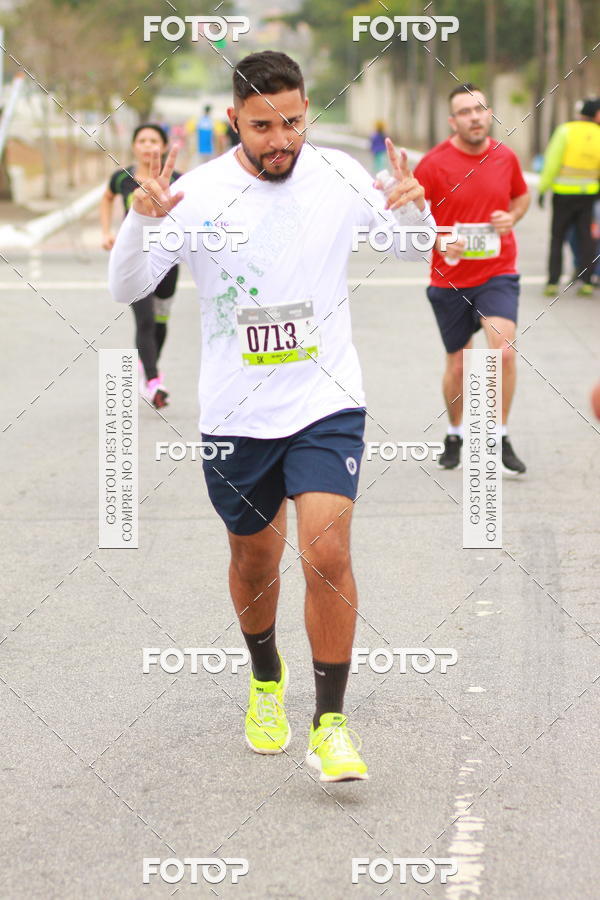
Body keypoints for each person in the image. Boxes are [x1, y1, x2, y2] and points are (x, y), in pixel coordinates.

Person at [109, 50, 435, 782]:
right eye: (263, 126)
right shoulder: (196, 192)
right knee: (255, 560)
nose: (281, 138)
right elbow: (125, 283)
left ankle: (331, 722)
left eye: (293, 120)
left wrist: (414, 203)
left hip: (326, 401)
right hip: (236, 413)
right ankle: (265, 679)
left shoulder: (339, 176)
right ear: (235, 122)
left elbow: (416, 248)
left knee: (326, 552)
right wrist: (138, 221)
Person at [414, 83, 530, 474]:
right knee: (460, 364)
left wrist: (511, 217)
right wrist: (440, 241)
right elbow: (411, 221)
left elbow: (521, 197)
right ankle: (455, 431)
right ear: (453, 121)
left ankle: (499, 436)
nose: (476, 116)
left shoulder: (506, 157)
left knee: (504, 351)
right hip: (448, 278)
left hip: (497, 271)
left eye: (480, 109)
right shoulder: (432, 164)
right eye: (465, 111)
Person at [101, 124, 182, 408]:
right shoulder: (122, 178)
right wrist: (107, 232)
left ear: (162, 145)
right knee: (145, 320)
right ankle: (153, 380)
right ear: (134, 145)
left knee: (160, 322)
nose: (148, 145)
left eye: (154, 141)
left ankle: (149, 367)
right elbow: (107, 198)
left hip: (167, 259)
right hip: (135, 258)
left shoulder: (180, 179)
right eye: (143, 140)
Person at [538, 97, 600, 297]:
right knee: (586, 238)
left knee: (557, 237)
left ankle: (552, 282)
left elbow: (552, 162)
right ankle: (587, 283)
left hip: (563, 194)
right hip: (588, 194)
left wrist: (542, 189)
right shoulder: (598, 134)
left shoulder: (565, 130)